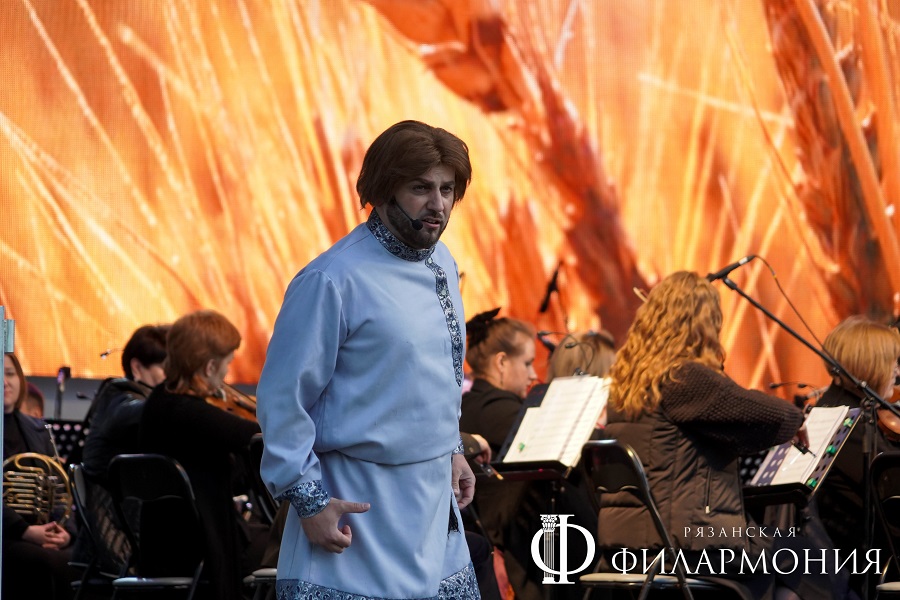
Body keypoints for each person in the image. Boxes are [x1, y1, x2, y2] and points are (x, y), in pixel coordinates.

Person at [256, 120, 479, 598]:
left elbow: (430, 377)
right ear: (382, 189)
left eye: (446, 189)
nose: (438, 205)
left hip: (433, 512)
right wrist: (310, 501)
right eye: (420, 188)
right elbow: (282, 400)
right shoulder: (331, 278)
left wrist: (451, 448)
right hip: (355, 509)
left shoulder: (443, 262)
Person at [598, 270, 847, 599]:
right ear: (703, 325)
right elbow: (768, 412)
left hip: (628, 542)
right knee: (819, 562)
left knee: (792, 562)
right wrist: (796, 421)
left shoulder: (628, 385)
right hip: (684, 544)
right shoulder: (684, 377)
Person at [139, 310, 262, 600]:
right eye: (227, 363)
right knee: (284, 548)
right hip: (197, 550)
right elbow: (256, 436)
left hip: (161, 543)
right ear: (209, 367)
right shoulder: (188, 413)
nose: (227, 373)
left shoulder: (157, 401)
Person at [811, 315, 900, 597]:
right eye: (893, 362)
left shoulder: (835, 410)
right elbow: (892, 495)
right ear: (871, 366)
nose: (897, 371)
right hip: (863, 567)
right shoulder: (849, 424)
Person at [458, 308, 541, 600]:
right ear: (502, 362)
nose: (534, 374)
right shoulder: (502, 411)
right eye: (528, 363)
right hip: (514, 556)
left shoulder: (466, 405)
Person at [3, 352, 78, 600]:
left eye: (10, 374)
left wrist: (64, 530)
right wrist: (24, 530)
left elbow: (58, 489)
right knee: (45, 562)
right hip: (8, 534)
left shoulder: (38, 428)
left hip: (39, 532)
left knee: (76, 558)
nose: (5, 382)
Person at [82, 323, 169, 482]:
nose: (173, 376)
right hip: (113, 496)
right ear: (137, 367)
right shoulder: (118, 393)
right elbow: (131, 413)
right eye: (166, 369)